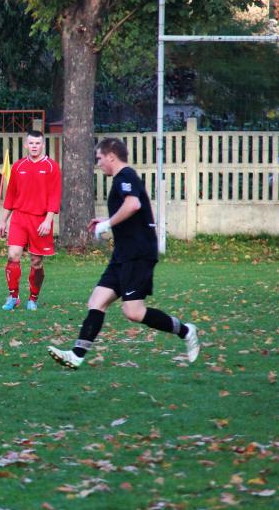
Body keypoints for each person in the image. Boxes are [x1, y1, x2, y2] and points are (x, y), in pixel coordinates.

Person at [48, 137, 200, 369]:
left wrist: (107, 224)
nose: (98, 163)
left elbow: (133, 205)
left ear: (111, 156)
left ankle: (186, 331)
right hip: (123, 253)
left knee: (134, 312)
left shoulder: (125, 176)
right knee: (97, 301)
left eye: (99, 158)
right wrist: (108, 221)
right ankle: (76, 355)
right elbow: (129, 210)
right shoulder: (122, 178)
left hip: (138, 253)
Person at [0, 130, 61, 311]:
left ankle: (33, 298)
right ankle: (13, 296)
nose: (34, 146)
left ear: (43, 145)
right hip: (19, 218)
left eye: (37, 143)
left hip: (40, 220)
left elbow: (55, 196)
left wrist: (48, 221)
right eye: (31, 143)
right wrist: (3, 221)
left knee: (36, 262)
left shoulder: (51, 167)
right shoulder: (18, 166)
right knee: (12, 255)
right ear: (26, 145)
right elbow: (11, 196)